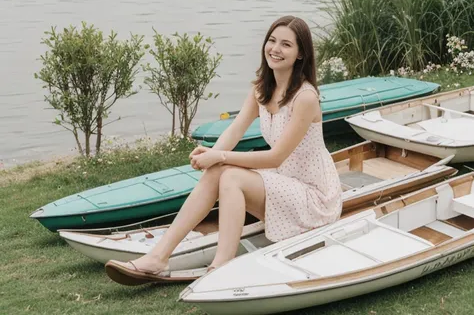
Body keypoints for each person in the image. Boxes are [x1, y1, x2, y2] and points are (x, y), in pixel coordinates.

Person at [105, 15, 342, 285]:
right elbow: (234, 130)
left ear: (301, 55)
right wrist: (209, 157)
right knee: (220, 170)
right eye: (272, 41)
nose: (275, 49)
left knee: (230, 174)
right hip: (283, 183)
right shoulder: (262, 89)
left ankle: (221, 266)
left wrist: (219, 157)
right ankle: (159, 256)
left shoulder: (306, 97)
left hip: (314, 196)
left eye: (286, 44)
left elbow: (276, 156)